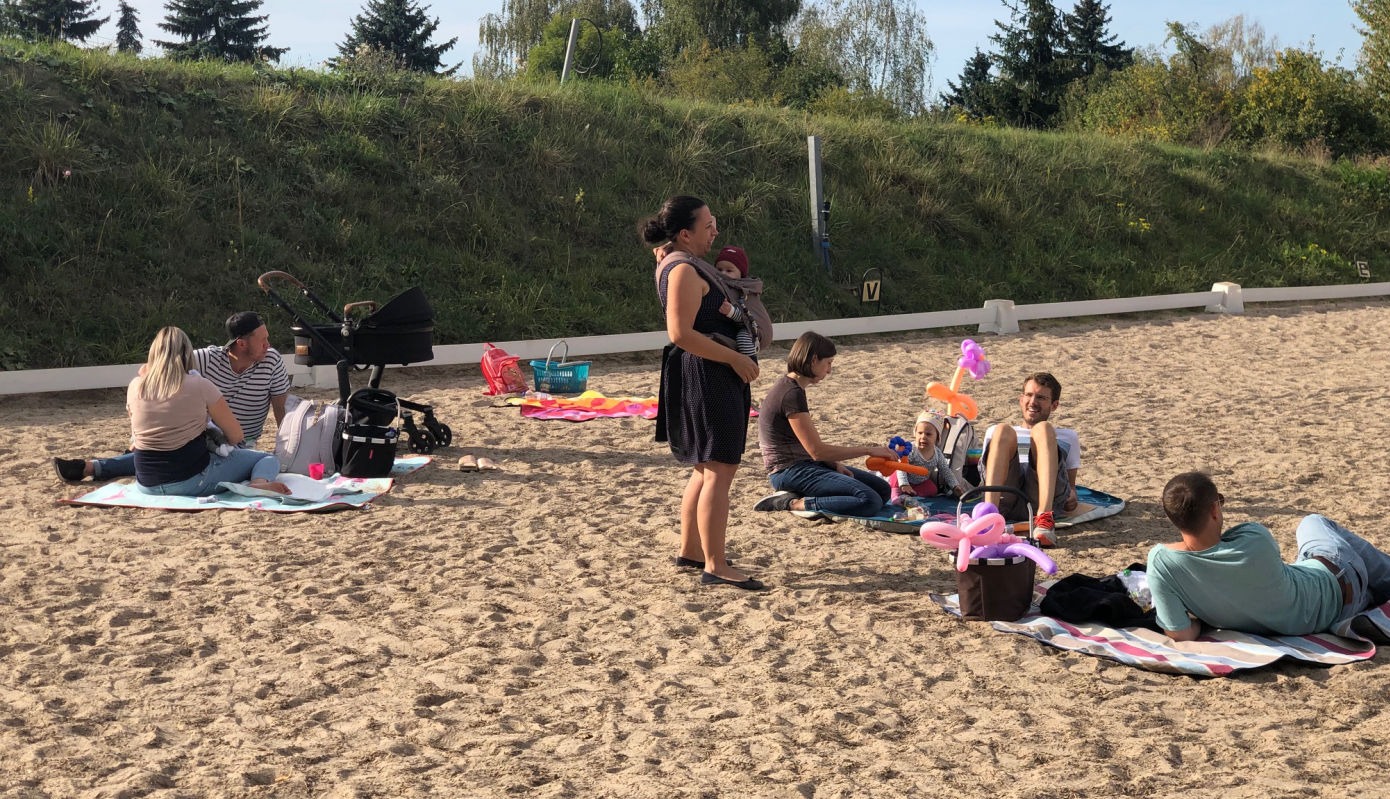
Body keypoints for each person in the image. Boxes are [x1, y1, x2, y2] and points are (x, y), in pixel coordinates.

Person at [641, 195, 763, 591]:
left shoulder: (677, 262)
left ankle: (692, 550)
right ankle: (716, 564)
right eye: (707, 225)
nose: (715, 231)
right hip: (708, 374)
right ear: (684, 233)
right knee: (719, 471)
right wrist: (735, 358)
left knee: (705, 467)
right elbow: (679, 333)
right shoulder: (683, 270)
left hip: (706, 372)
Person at [1147, 472, 1390, 642]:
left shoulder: (1161, 564)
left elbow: (1180, 633)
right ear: (1214, 510)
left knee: (1314, 565)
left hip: (1324, 615)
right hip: (1340, 585)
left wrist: (1201, 618)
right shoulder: (1254, 538)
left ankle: (1372, 596)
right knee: (1312, 522)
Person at [54, 311, 292, 483]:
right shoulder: (206, 359)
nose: (268, 345)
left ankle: (92, 467)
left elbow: (281, 408)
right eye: (263, 340)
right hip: (201, 436)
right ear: (241, 344)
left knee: (160, 455)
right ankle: (92, 467)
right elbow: (151, 370)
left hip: (238, 440)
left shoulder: (271, 361)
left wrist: (287, 447)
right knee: (167, 453)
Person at [122, 327, 288, 497]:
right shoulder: (200, 385)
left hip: (147, 483)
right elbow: (236, 436)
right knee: (266, 458)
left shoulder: (135, 386)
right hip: (190, 480)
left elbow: (137, 433)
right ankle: (258, 483)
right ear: (187, 353)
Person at [753, 332, 898, 519]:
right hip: (788, 472)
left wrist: (832, 464)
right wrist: (868, 450)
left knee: (882, 490)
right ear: (814, 360)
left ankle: (803, 495)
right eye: (828, 363)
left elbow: (807, 447)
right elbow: (817, 451)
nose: (829, 370)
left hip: (805, 465)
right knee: (870, 501)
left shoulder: (792, 387)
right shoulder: (791, 394)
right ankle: (793, 503)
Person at [977, 372, 1080, 547]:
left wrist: (1072, 492)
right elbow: (986, 473)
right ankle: (990, 517)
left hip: (1041, 497)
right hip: (1005, 497)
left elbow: (1070, 484)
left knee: (1043, 429)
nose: (1033, 402)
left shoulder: (1068, 436)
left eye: (1041, 397)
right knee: (1002, 429)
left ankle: (1044, 519)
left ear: (1054, 405)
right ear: (1021, 399)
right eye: (1029, 395)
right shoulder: (995, 433)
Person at [889, 410, 969, 505]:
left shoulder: (937, 453)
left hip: (919, 482)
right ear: (915, 433)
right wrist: (904, 484)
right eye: (920, 433)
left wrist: (955, 486)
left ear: (937, 437)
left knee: (932, 489)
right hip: (902, 477)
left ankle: (910, 494)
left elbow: (946, 471)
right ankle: (896, 494)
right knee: (896, 472)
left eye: (928, 434)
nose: (923, 437)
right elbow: (902, 467)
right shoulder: (911, 449)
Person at [711, 245, 771, 361]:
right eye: (719, 269)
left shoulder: (741, 290)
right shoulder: (724, 286)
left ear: (740, 274)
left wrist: (731, 311)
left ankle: (751, 363)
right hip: (742, 325)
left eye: (729, 270)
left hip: (756, 329)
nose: (723, 273)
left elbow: (746, 317)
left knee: (743, 337)